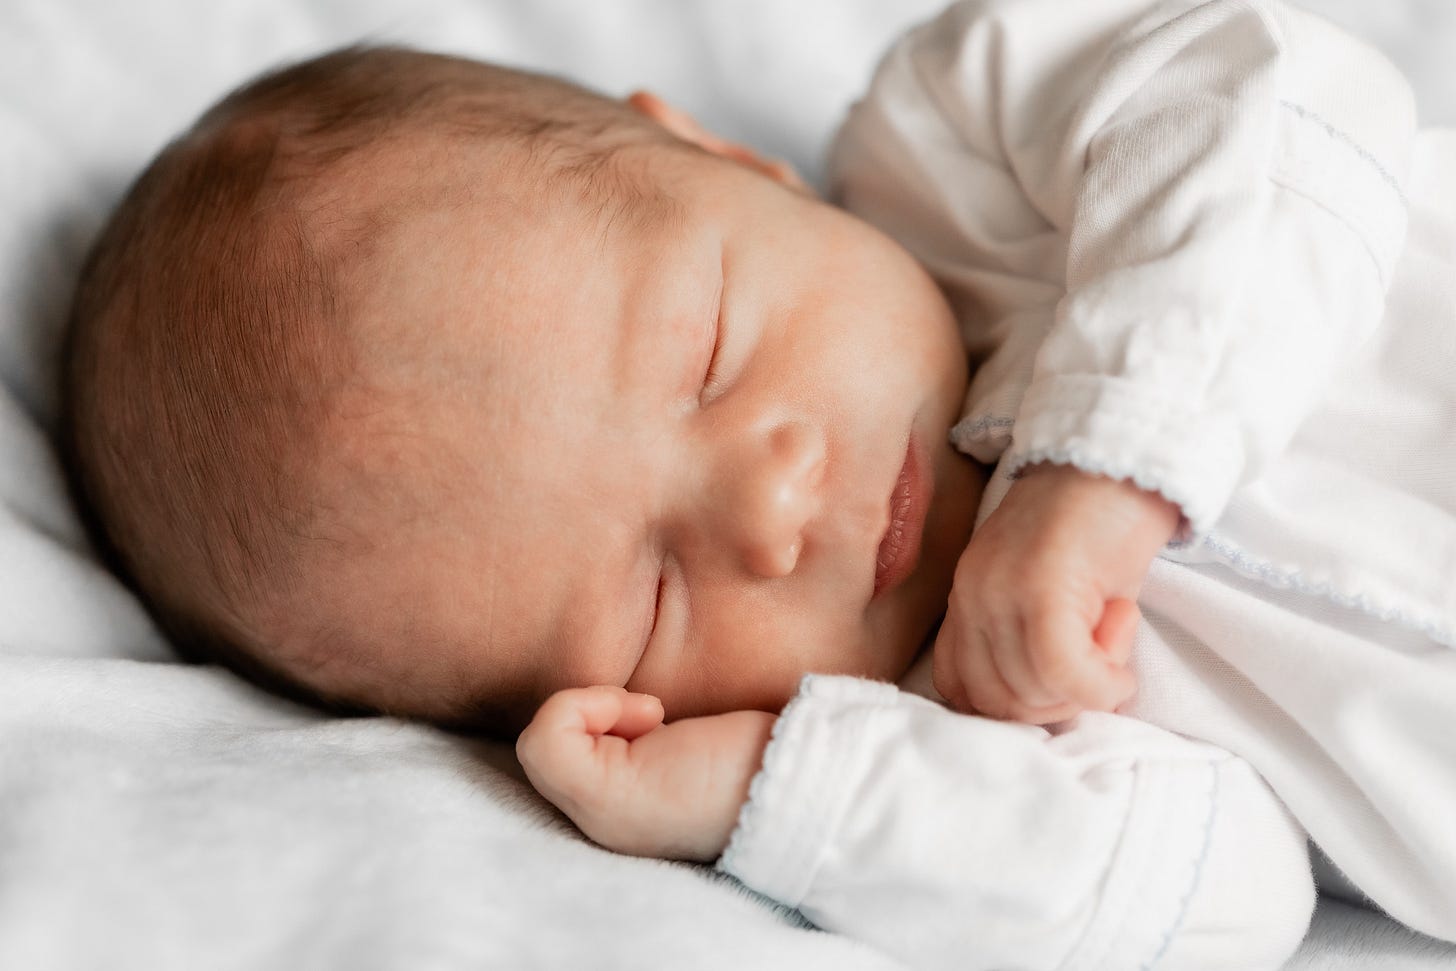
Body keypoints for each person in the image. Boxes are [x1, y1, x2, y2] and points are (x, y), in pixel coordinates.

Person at [60, 0, 1455, 967]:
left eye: (707, 353)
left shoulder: (960, 157)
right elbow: (1222, 900)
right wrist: (781, 798)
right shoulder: (962, 742)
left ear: (721, 158)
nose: (768, 512)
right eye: (650, 600)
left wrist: (1111, 461)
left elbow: (1290, 99)